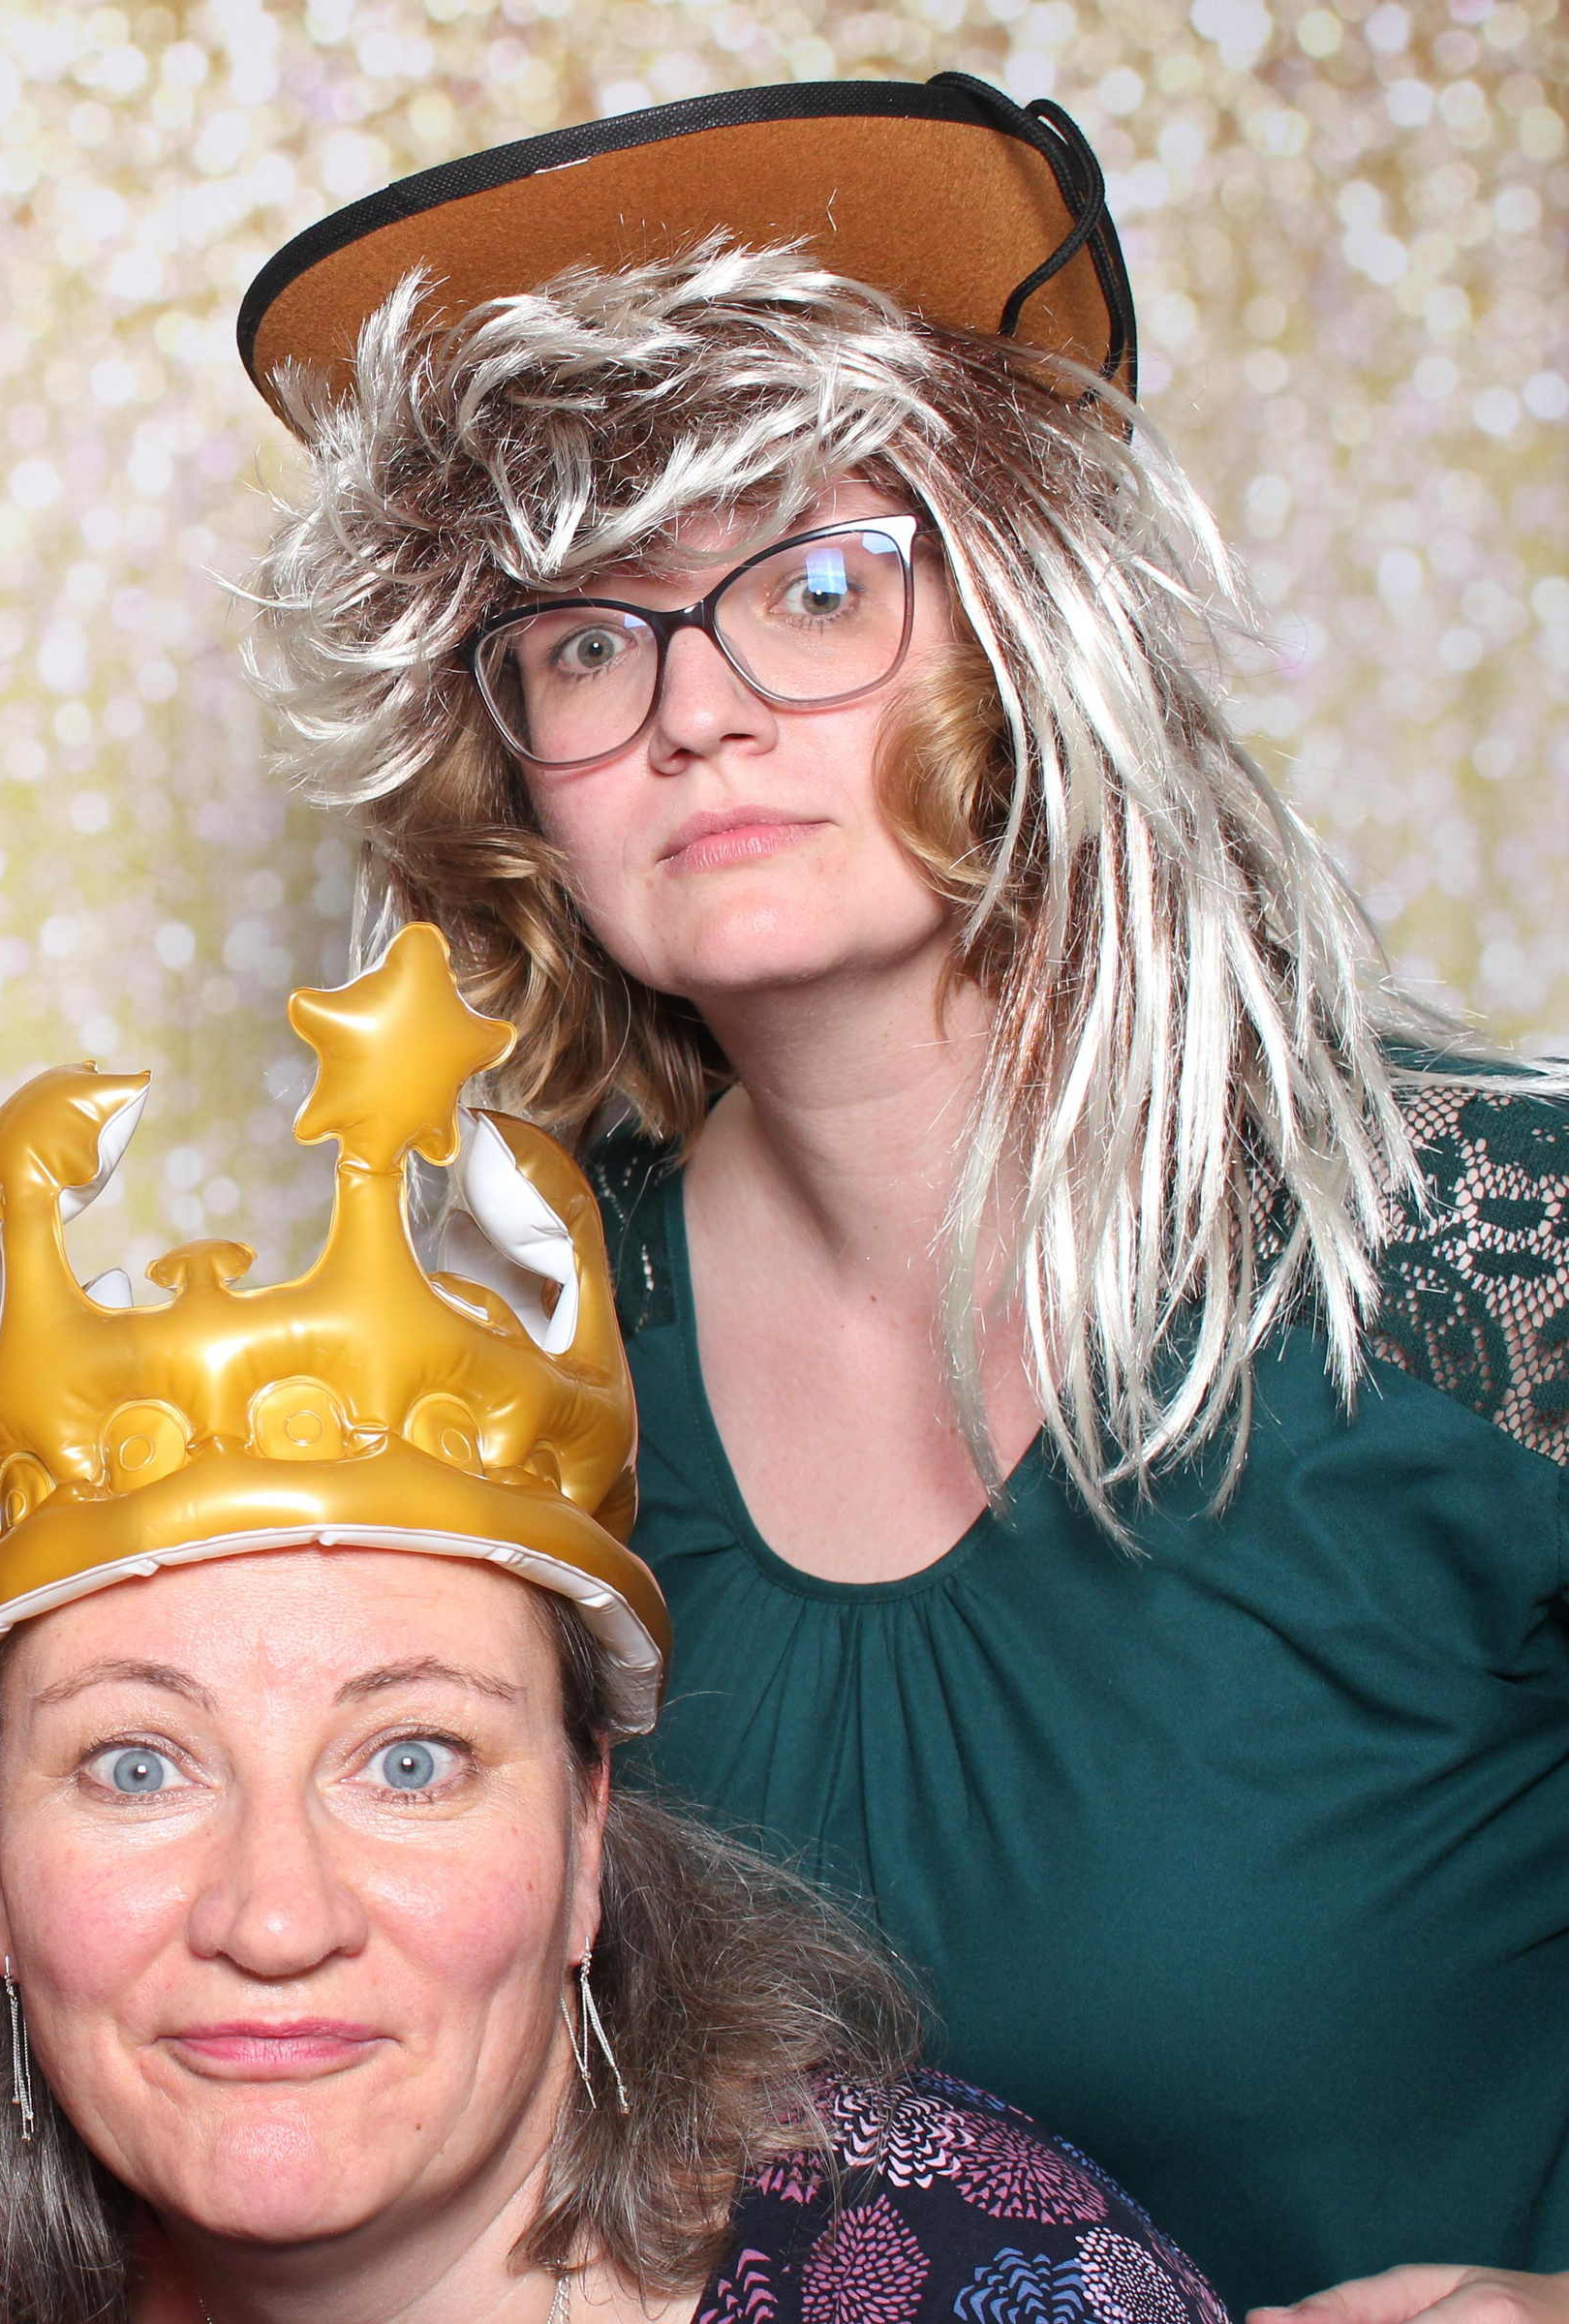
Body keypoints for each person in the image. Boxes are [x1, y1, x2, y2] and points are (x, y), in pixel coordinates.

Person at [231, 75, 1569, 2322]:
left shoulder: (1493, 1263)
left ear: (1030, 630)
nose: (696, 713)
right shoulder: (519, 1374)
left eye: (819, 585)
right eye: (588, 638)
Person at [0, 929, 1220, 2324]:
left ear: (584, 1837)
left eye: (412, 1761)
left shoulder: (986, 2283)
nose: (274, 1920)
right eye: (136, 1766)